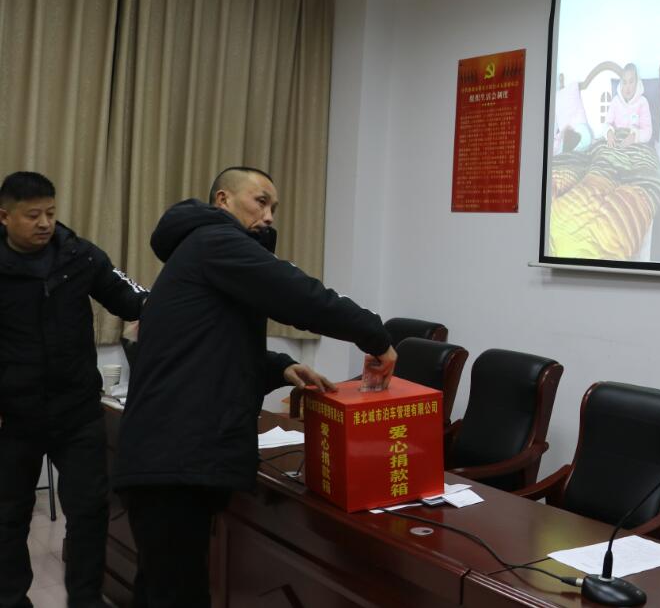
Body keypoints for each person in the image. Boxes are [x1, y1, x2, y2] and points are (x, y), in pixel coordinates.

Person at [113, 166, 395, 608]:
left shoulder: (199, 250)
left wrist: (282, 367)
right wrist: (375, 335)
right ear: (222, 200)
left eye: (274, 208)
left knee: (161, 590)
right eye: (260, 201)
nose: (269, 216)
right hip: (176, 460)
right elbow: (300, 295)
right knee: (178, 594)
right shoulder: (215, 241)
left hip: (166, 455)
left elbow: (210, 348)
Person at [0, 171, 148, 608]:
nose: (45, 223)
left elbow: (131, 297)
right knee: (8, 517)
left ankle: (85, 599)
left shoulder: (80, 255)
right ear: (5, 216)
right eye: (33, 215)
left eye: (50, 212)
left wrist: (163, 307)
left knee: (89, 511)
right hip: (14, 417)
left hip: (77, 411)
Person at [604, 64, 653, 148]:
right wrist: (609, 132)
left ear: (637, 83)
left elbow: (648, 132)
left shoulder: (642, 102)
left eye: (631, 82)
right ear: (621, 84)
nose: (627, 87)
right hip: (617, 142)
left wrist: (634, 137)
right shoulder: (616, 101)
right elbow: (607, 124)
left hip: (635, 146)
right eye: (624, 82)